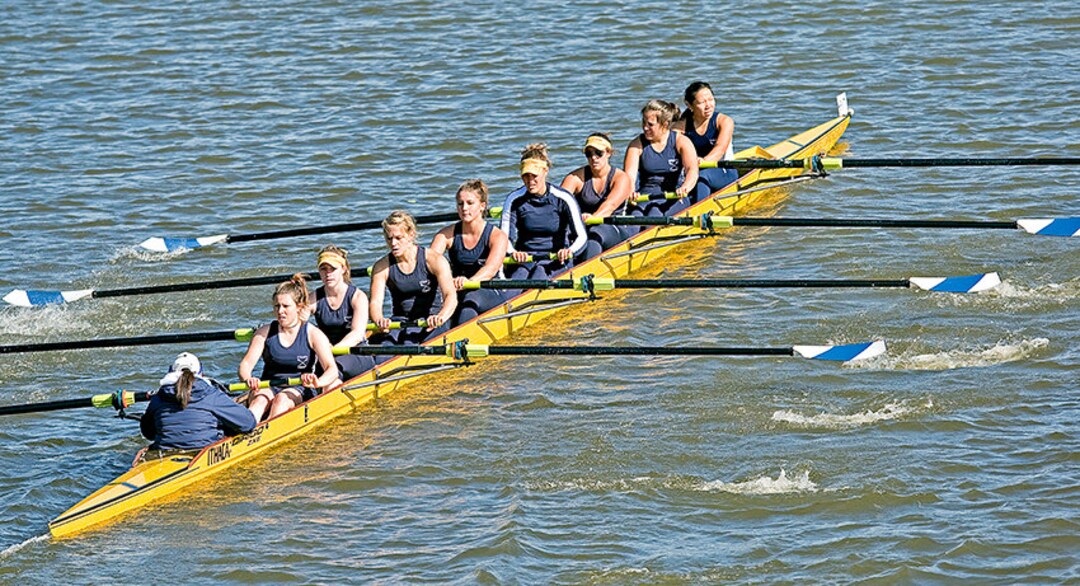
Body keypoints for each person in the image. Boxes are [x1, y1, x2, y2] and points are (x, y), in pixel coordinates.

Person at [238, 275, 339, 421]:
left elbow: (332, 369)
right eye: (277, 306)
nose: (280, 311)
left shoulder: (313, 333)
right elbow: (245, 365)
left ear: (298, 307)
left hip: (299, 387)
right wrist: (248, 378)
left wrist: (318, 382)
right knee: (259, 401)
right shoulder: (264, 332)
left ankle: (270, 431)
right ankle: (247, 429)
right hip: (269, 384)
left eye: (285, 306)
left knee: (281, 400)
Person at [500, 143, 588, 280]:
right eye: (526, 176)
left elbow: (582, 237)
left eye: (534, 176)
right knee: (517, 281)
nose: (530, 181)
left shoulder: (563, 198)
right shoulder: (514, 199)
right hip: (525, 259)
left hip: (555, 259)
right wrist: (513, 253)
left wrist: (569, 251)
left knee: (539, 273)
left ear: (545, 171)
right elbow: (504, 238)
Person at [368, 211, 457, 345]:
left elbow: (451, 296)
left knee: (409, 343)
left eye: (399, 238)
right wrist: (379, 320)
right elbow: (375, 302)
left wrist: (441, 317)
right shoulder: (381, 267)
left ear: (411, 235)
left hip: (431, 320)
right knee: (385, 350)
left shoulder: (434, 260)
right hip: (400, 322)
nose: (393, 243)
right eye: (389, 238)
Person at [430, 179, 509, 325]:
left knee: (470, 300)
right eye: (460, 204)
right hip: (457, 290)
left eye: (470, 203)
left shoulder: (497, 236)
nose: (464, 208)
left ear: (482, 206)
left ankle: (461, 336)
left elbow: (490, 269)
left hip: (489, 289)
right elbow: (430, 263)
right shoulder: (445, 235)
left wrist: (469, 282)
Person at [140, 352, 257, 451]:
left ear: (170, 371)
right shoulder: (211, 394)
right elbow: (248, 423)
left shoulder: (158, 398)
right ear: (201, 372)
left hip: (165, 451)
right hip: (203, 451)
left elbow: (148, 433)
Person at [623, 99, 709, 217]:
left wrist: (685, 187)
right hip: (645, 196)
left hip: (674, 196)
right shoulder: (636, 145)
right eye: (644, 122)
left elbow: (692, 170)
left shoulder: (681, 141)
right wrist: (630, 191)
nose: (645, 128)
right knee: (635, 217)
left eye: (650, 124)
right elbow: (630, 176)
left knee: (654, 213)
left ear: (665, 124)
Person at [560, 132, 635, 260]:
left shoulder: (621, 178)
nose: (594, 158)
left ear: (608, 153)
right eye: (589, 154)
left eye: (598, 153)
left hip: (615, 228)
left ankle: (586, 268)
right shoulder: (575, 178)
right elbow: (558, 204)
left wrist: (592, 218)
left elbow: (609, 206)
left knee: (595, 232)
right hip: (584, 227)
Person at [311, 245, 376, 381]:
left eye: (333, 269)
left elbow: (357, 334)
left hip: (356, 352)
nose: (328, 274)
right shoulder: (314, 298)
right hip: (327, 355)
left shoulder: (358, 297)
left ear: (343, 269)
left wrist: (331, 351)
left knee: (331, 371)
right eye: (323, 269)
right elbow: (297, 324)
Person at [672, 81, 738, 192]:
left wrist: (703, 161)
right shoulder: (680, 127)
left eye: (711, 100)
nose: (708, 106)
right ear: (689, 105)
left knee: (702, 176)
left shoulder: (724, 121)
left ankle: (701, 203)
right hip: (692, 170)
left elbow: (720, 149)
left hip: (724, 170)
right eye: (702, 102)